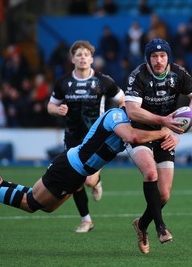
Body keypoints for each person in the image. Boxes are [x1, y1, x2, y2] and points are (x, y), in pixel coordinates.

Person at [0, 107, 177, 223]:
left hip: (75, 172)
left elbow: (141, 138)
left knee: (46, 205)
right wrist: (163, 129)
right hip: (70, 167)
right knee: (30, 203)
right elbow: (135, 137)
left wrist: (172, 133)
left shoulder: (132, 125)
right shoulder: (117, 117)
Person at [124, 38, 192, 254]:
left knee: (164, 195)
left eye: (162, 56)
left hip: (165, 133)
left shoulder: (178, 73)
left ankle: (141, 224)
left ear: (169, 57)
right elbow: (132, 111)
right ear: (147, 59)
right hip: (139, 132)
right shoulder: (138, 76)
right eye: (154, 56)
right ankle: (160, 227)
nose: (158, 60)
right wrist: (164, 122)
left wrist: (191, 113)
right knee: (150, 172)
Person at [47, 40, 124, 233]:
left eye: (86, 54)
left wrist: (113, 120)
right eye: (79, 54)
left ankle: (96, 182)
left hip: (96, 138)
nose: (83, 57)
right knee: (75, 181)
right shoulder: (63, 82)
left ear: (92, 59)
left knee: (88, 180)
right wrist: (58, 109)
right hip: (72, 138)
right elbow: (50, 106)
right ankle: (86, 220)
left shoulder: (104, 81)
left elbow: (122, 100)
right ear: (72, 59)